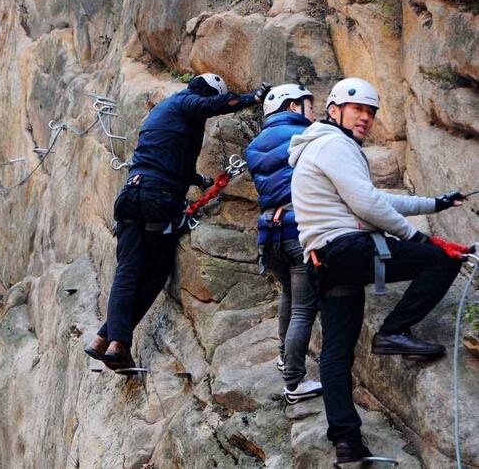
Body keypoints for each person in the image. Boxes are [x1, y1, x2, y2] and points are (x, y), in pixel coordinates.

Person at [289, 77, 465, 463]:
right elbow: (368, 204)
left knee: (336, 354)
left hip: (323, 261)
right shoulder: (336, 144)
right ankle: (393, 332)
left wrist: (433, 204)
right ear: (334, 110)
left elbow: (373, 198)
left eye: (370, 112)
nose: (365, 118)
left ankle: (347, 442)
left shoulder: (317, 148)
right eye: (358, 110)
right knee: (441, 260)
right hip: (347, 248)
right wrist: (419, 240)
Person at [83, 73, 272, 369]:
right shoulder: (188, 103)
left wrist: (201, 180)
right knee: (154, 272)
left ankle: (105, 339)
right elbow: (214, 105)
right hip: (158, 199)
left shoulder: (163, 112)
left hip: (132, 193)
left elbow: (169, 160)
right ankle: (117, 340)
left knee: (129, 270)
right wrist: (253, 98)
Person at [246, 83, 322, 403]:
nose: (313, 112)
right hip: (297, 229)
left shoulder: (254, 146)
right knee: (304, 308)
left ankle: (282, 357)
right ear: (292, 107)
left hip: (269, 233)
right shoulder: (307, 137)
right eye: (308, 105)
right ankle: (294, 382)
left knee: (288, 294)